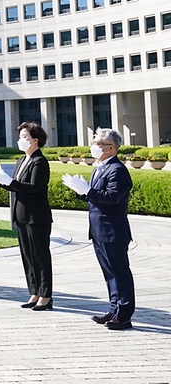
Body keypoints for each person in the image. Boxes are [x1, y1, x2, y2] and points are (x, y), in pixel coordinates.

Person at [80, 127, 135, 330]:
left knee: (119, 272)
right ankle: (114, 308)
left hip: (112, 230)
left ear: (111, 148)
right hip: (98, 230)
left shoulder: (117, 169)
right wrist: (83, 192)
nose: (93, 146)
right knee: (109, 272)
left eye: (97, 143)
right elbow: (97, 194)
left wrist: (90, 192)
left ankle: (124, 314)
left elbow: (113, 197)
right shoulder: (100, 167)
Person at [0, 122, 53, 310]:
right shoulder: (22, 160)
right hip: (21, 215)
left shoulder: (40, 161)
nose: (20, 141)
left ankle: (45, 295)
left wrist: (11, 182)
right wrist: (3, 182)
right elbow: (16, 184)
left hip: (36, 216)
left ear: (35, 140)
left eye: (25, 137)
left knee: (40, 256)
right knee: (28, 256)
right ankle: (34, 292)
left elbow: (34, 187)